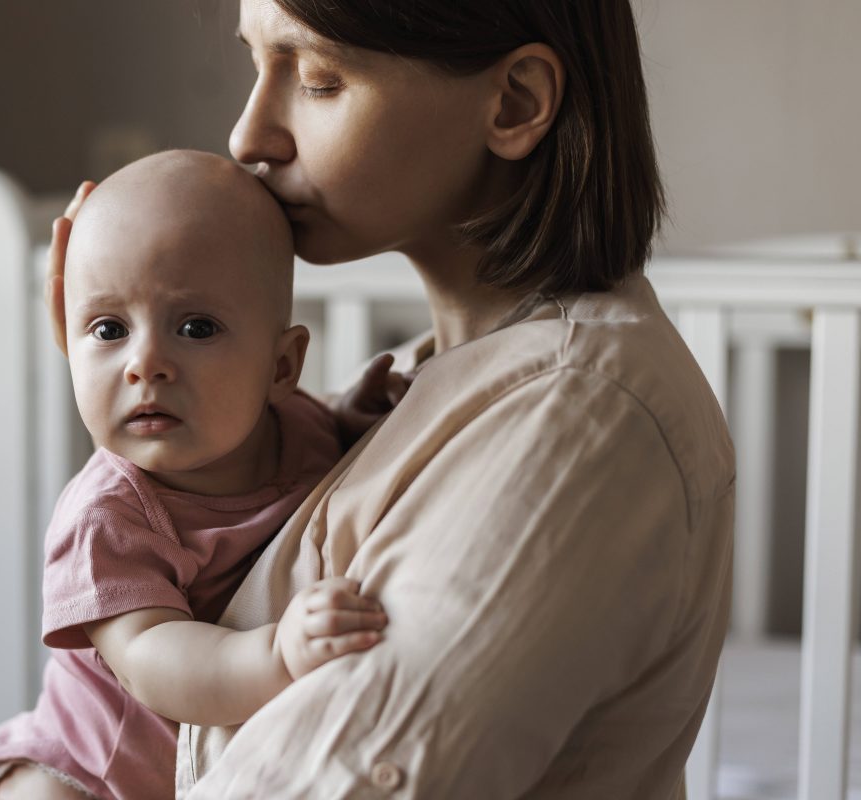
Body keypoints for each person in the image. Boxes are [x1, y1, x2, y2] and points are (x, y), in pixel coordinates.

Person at [40, 1, 734, 797]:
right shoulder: (411, 383)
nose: (248, 137)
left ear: (512, 104)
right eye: (255, 65)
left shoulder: (576, 418)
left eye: (319, 79)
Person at [0, 150, 396, 800]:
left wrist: (378, 409)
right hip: (89, 771)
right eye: (108, 328)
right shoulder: (108, 516)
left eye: (195, 327)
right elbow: (149, 657)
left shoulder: (305, 430)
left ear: (281, 370)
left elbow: (345, 429)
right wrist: (277, 656)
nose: (145, 364)